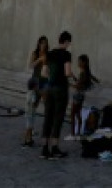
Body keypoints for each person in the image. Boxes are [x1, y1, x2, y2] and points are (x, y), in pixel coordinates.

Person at [40, 32, 73, 160]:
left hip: (49, 88)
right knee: (58, 118)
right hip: (61, 88)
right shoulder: (66, 54)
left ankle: (44, 149)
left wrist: (51, 78)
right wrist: (72, 76)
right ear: (66, 42)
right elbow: (67, 72)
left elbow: (44, 73)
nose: (69, 45)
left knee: (47, 117)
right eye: (69, 43)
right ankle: (54, 148)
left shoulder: (50, 53)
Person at [22, 35, 49, 148]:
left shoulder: (48, 54)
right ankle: (29, 132)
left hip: (45, 81)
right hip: (36, 81)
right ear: (39, 44)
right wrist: (39, 59)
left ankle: (42, 131)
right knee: (32, 106)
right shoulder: (35, 53)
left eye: (45, 43)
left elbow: (48, 69)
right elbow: (31, 65)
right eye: (42, 43)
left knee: (45, 105)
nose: (43, 45)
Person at [69, 54, 99, 137]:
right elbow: (80, 82)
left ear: (84, 62)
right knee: (78, 113)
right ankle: (78, 131)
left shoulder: (83, 73)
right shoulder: (85, 73)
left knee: (73, 114)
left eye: (79, 61)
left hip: (78, 95)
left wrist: (69, 84)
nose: (78, 63)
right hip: (80, 95)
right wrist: (73, 76)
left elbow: (78, 85)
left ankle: (73, 133)